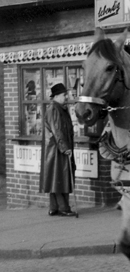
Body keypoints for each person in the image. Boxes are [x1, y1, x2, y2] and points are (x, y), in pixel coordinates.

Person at [39, 83, 77, 217]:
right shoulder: (55, 109)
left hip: (55, 148)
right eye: (63, 95)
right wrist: (65, 148)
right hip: (57, 149)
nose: (66, 97)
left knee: (56, 177)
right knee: (60, 177)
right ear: (56, 96)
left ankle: (54, 207)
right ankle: (63, 207)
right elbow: (58, 131)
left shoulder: (58, 108)